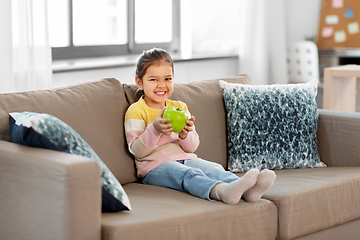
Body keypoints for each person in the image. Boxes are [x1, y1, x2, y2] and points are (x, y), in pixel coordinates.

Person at [124, 48, 276, 204]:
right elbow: (138, 151)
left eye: (168, 79)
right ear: (139, 82)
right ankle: (222, 191)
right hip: (153, 167)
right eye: (154, 80)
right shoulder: (136, 110)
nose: (162, 85)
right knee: (190, 175)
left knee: (214, 168)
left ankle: (248, 190)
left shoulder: (180, 107)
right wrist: (155, 130)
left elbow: (192, 147)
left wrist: (184, 135)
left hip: (185, 157)